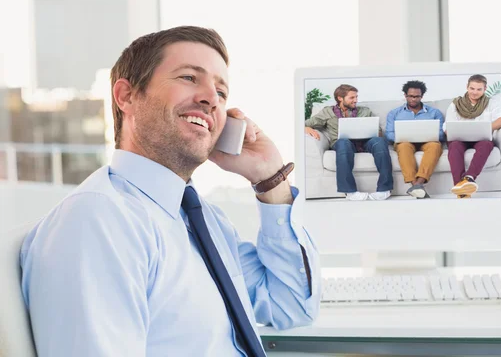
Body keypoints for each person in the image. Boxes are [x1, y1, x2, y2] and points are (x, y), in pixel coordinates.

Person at [20, 26, 320, 356]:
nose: (211, 100)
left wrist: (271, 180)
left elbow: (290, 305)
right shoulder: (98, 219)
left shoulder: (203, 220)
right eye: (189, 77)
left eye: (222, 93)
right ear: (127, 96)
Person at [304, 84, 393, 201]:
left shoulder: (365, 111)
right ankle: (350, 191)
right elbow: (304, 123)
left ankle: (384, 190)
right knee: (343, 142)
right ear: (340, 98)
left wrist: (375, 131)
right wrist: (307, 128)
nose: (355, 100)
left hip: (365, 142)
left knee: (379, 142)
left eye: (356, 97)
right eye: (352, 98)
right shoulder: (328, 112)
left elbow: (379, 131)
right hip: (343, 143)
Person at [444, 74, 501, 198]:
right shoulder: (455, 104)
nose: (475, 92)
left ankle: (469, 178)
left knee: (487, 144)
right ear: (467, 87)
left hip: (481, 137)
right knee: (454, 146)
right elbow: (447, 126)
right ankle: (461, 187)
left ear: (485, 89)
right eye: (472, 88)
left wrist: (485, 128)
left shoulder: (491, 103)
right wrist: (452, 131)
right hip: (459, 138)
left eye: (479, 89)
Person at [385, 80, 444, 199]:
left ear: (422, 96)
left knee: (435, 146)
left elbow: (441, 134)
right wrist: (405, 136)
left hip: (427, 142)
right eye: (410, 96)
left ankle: (418, 184)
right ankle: (415, 185)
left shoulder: (434, 113)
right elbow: (389, 134)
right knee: (403, 146)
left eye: (417, 96)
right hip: (405, 142)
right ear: (405, 96)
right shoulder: (394, 113)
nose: (413, 99)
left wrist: (428, 135)